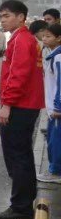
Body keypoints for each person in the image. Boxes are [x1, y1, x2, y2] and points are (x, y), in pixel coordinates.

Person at [0, 1, 45, 219]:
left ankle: (21, 207)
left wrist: (7, 105)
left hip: (20, 106)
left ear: (21, 17)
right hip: (25, 104)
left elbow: (18, 75)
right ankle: (23, 202)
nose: (2, 20)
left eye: (6, 16)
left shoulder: (22, 40)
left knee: (17, 156)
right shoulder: (21, 38)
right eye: (1, 16)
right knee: (21, 154)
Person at [38, 24, 61, 184]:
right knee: (53, 139)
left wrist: (58, 107)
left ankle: (56, 172)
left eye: (48, 36)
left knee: (55, 141)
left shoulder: (58, 58)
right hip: (53, 109)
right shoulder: (53, 55)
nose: (44, 39)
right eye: (44, 36)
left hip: (57, 110)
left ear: (58, 38)